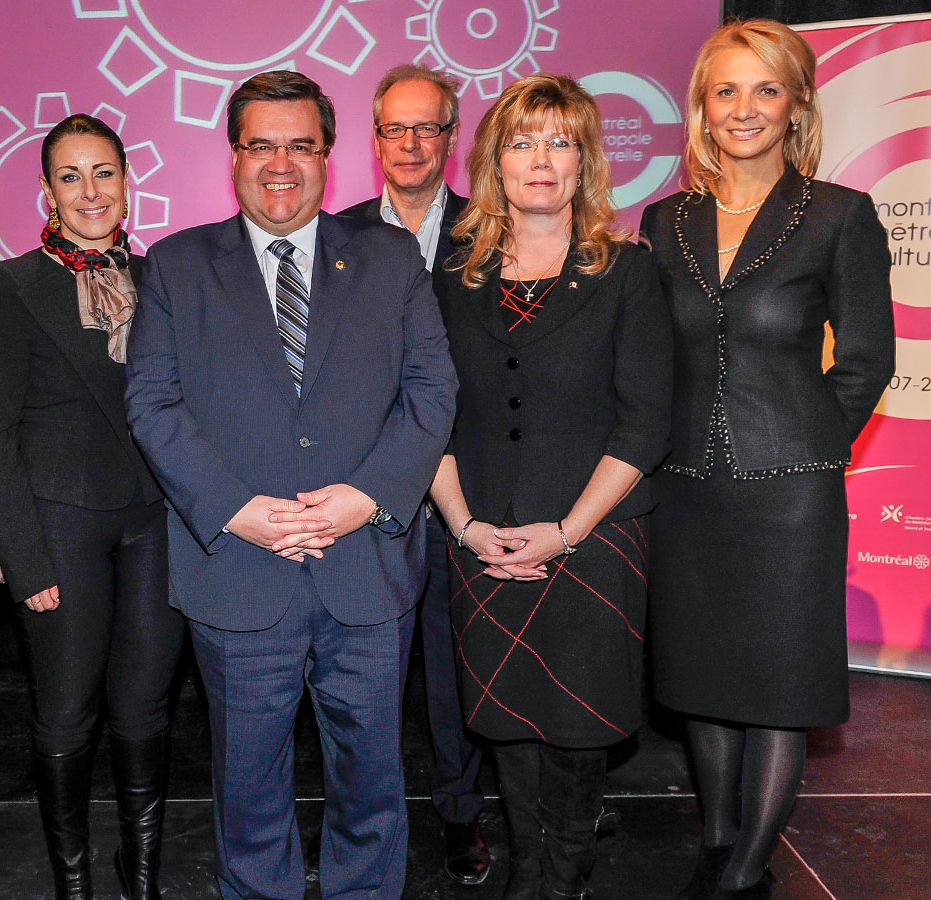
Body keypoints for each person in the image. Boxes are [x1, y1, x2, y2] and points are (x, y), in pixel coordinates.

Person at [125, 70, 458, 900]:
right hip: (237, 572)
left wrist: (369, 497)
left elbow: (433, 390)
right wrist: (234, 511)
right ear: (233, 155)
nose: (282, 163)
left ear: (329, 155)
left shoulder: (391, 258)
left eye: (301, 145)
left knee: (374, 787)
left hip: (368, 571)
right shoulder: (174, 265)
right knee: (248, 794)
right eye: (261, 145)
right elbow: (153, 402)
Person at [639, 19, 894, 900]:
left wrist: (818, 447)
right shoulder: (663, 221)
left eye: (765, 89)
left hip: (791, 492)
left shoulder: (838, 215)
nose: (743, 109)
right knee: (703, 674)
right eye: (725, 90)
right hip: (682, 486)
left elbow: (866, 360)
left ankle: (747, 869)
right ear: (703, 110)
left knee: (780, 681)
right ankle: (716, 839)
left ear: (797, 104)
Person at [429, 74, 672, 900]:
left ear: (585, 164)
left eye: (560, 142)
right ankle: (529, 872)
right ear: (494, 162)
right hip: (482, 535)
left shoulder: (629, 274)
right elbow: (428, 415)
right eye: (523, 142)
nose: (541, 159)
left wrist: (564, 533)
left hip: (595, 540)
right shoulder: (453, 277)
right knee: (506, 727)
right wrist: (465, 528)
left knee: (577, 731)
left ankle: (560, 876)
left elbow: (643, 428)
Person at [0, 114, 182, 900]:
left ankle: (144, 873)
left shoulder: (165, 277)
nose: (90, 191)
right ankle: (74, 882)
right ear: (46, 192)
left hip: (158, 523)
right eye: (71, 176)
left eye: (104, 173)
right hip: (59, 527)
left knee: (144, 708)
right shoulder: (11, 283)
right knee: (64, 716)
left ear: (127, 184)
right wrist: (22, 559)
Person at [337, 63, 490, 887]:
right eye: (394, 128)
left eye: (425, 127)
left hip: (466, 490)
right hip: (371, 494)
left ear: (450, 137)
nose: (409, 143)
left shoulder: (494, 232)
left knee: (456, 668)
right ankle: (372, 815)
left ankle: (461, 815)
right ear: (374, 140)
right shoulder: (338, 238)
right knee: (371, 676)